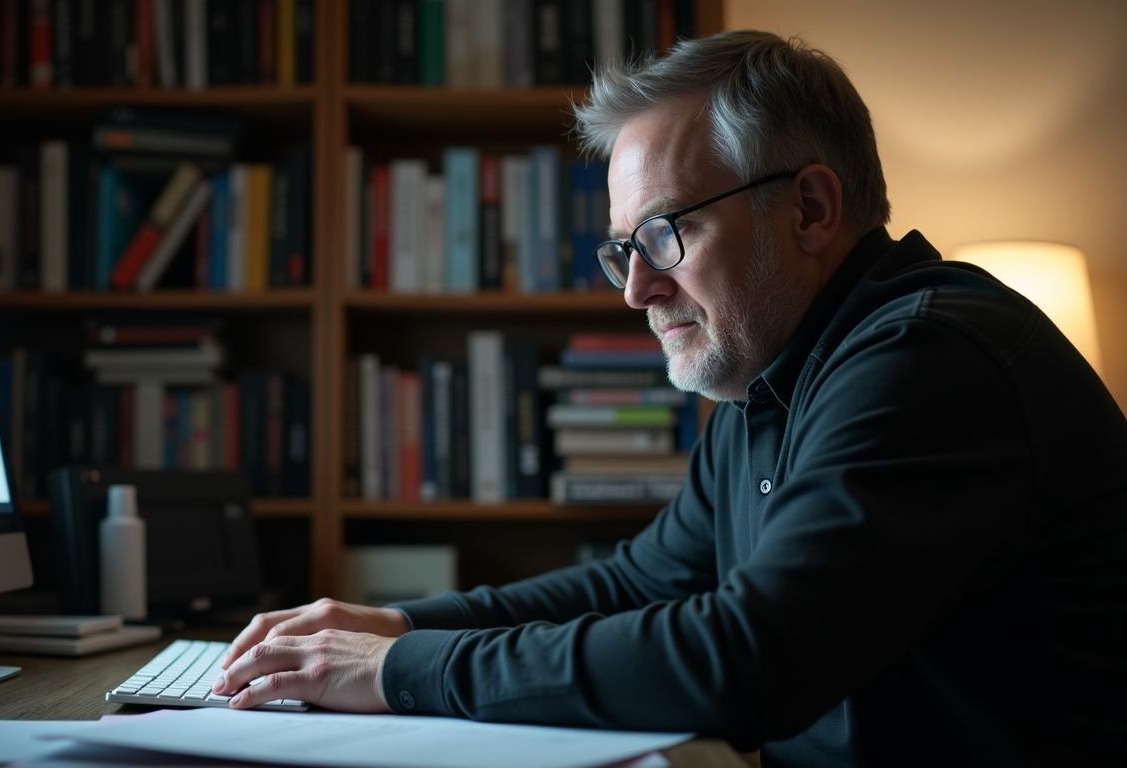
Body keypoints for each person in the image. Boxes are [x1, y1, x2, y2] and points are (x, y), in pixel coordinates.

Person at [214, 30, 1127, 765]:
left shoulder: (929, 358)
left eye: (663, 233)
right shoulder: (774, 379)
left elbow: (746, 658)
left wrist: (399, 669)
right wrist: (394, 624)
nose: (635, 291)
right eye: (624, 247)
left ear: (810, 209)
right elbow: (638, 584)